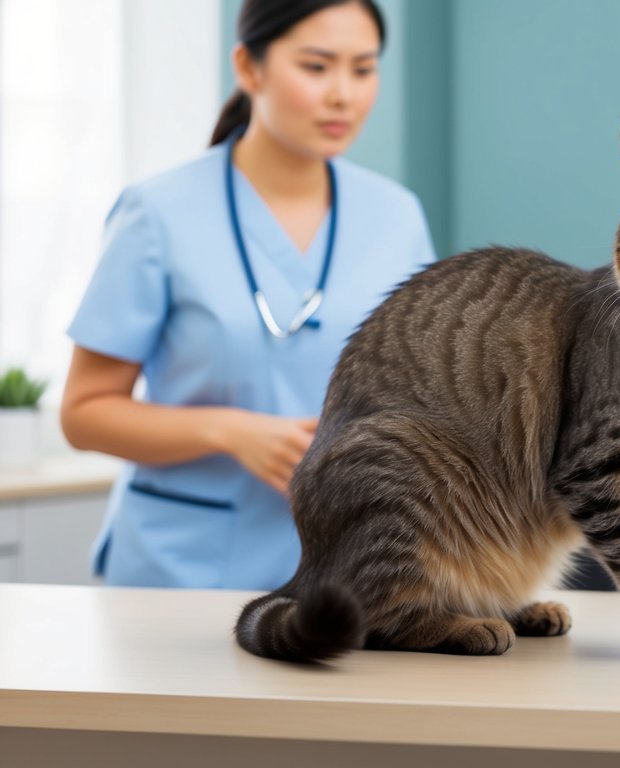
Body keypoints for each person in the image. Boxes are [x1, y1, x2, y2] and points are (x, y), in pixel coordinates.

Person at [61, 0, 436, 589]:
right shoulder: (157, 213)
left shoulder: (397, 216)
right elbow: (83, 415)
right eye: (316, 67)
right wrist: (231, 433)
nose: (343, 94)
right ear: (248, 67)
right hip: (180, 573)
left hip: (353, 567)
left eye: (363, 69)